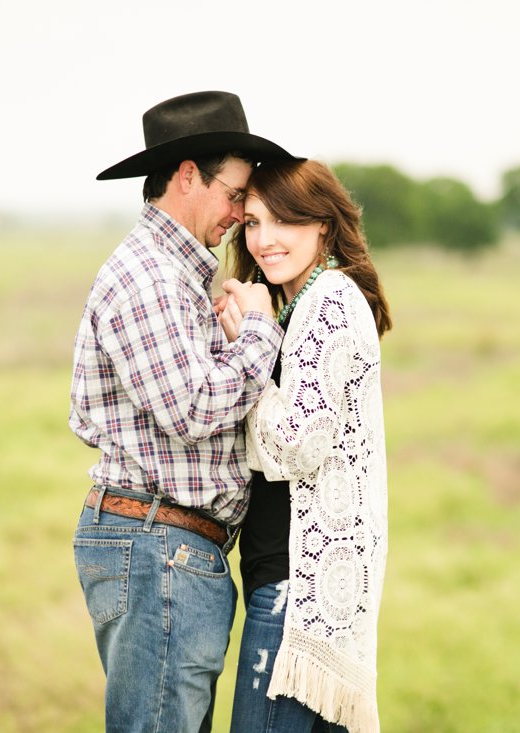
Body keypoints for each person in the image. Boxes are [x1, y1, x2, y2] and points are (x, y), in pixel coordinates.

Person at [70, 90, 301, 733]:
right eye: (234, 194)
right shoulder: (150, 276)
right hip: (159, 546)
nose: (238, 215)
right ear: (188, 175)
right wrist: (259, 331)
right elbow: (194, 408)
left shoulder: (174, 275)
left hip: (168, 547)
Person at [216, 159, 392, 733]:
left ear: (322, 225)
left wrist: (251, 344)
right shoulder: (298, 304)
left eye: (282, 222)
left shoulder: (330, 299)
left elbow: (297, 443)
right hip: (287, 580)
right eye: (252, 223)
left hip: (298, 591)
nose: (264, 241)